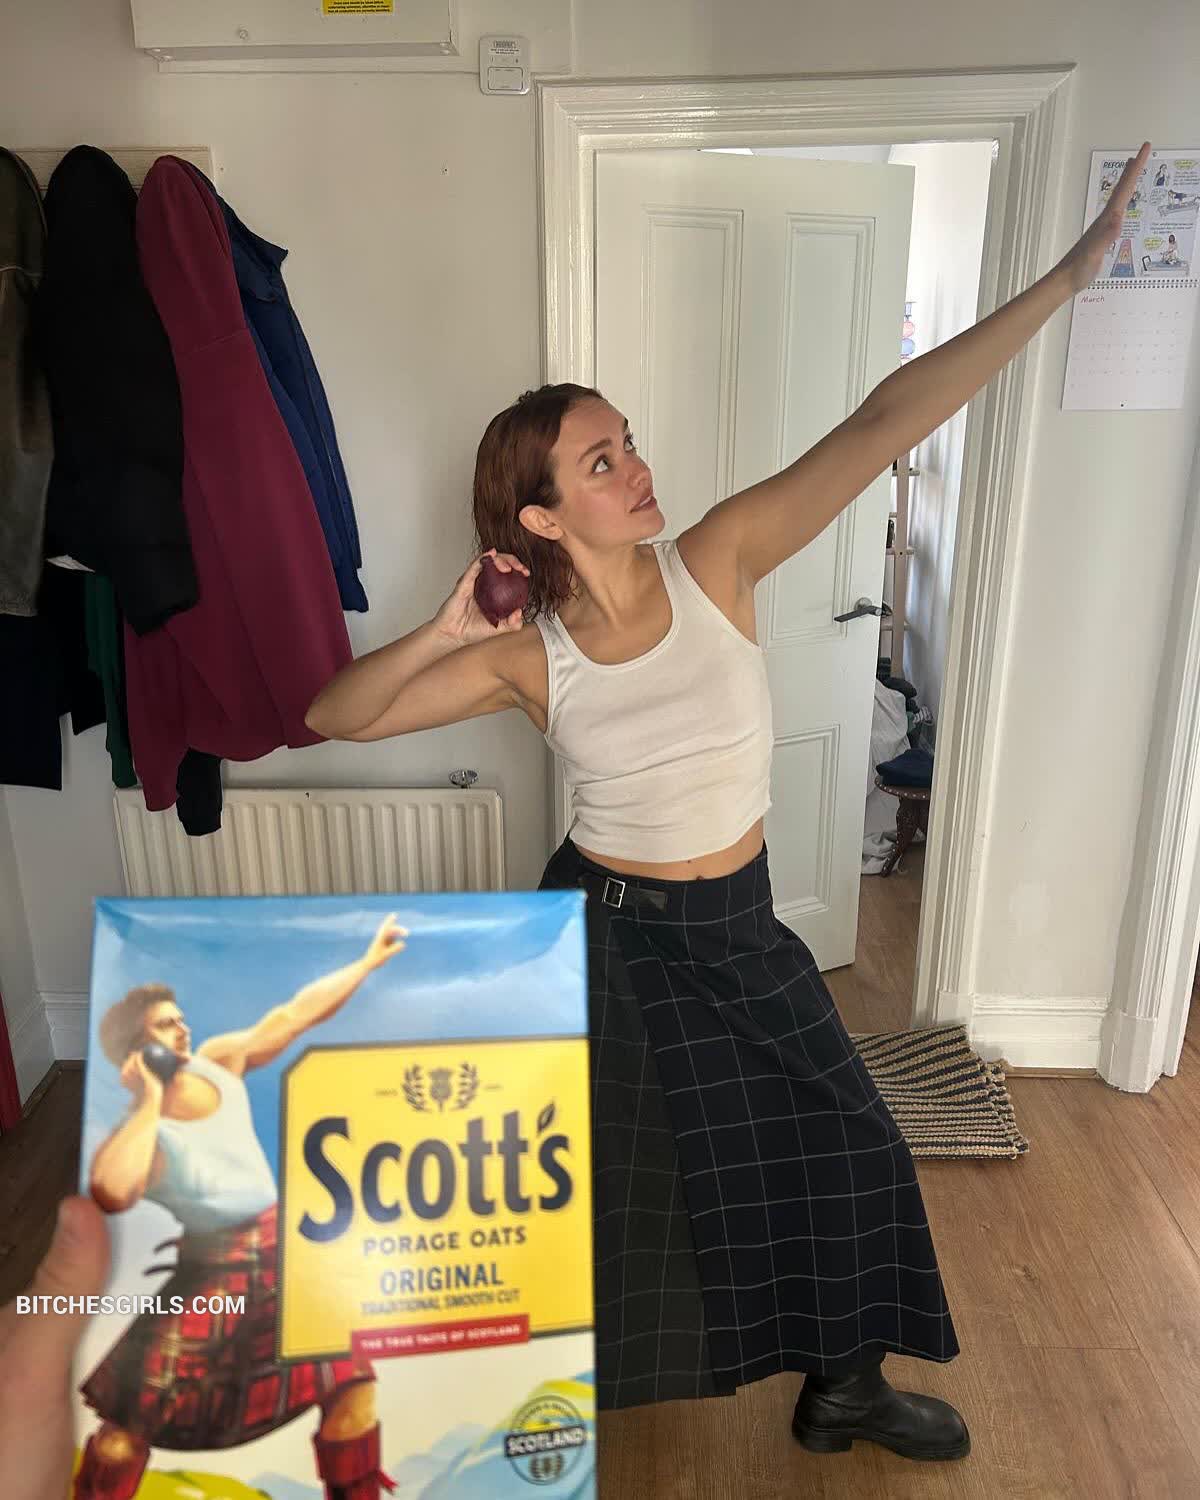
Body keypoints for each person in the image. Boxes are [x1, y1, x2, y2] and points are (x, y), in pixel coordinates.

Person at [307, 144, 1151, 1467]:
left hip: (739, 923)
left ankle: (844, 1386)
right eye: (601, 461)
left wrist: (1067, 279)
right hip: (613, 936)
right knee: (608, 1183)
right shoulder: (532, 658)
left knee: (849, 1137)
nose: (636, 468)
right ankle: (521, 1411)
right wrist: (440, 630)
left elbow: (880, 423)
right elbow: (334, 716)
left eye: (628, 442)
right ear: (542, 514)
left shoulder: (719, 560)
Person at [72, 914, 406, 1500]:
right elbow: (111, 1191)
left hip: (281, 1261)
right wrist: (149, 1099)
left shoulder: (218, 1062)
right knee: (124, 1434)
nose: (183, 1028)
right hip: (210, 1276)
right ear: (136, 1050)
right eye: (165, 1025)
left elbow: (293, 1015)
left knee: (353, 1389)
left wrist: (366, 961)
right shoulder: (139, 1134)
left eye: (180, 1018)